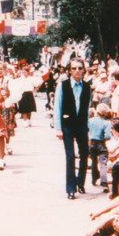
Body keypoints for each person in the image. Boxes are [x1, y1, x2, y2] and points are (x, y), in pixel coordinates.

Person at [53, 58, 91, 200]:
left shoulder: (87, 87)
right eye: (74, 68)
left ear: (83, 70)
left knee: (84, 154)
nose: (77, 71)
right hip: (67, 125)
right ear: (69, 70)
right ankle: (70, 188)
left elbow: (87, 109)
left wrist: (87, 128)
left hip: (81, 125)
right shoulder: (62, 85)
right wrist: (58, 127)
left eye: (79, 68)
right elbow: (57, 106)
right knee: (70, 156)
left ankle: (80, 182)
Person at [88, 103, 111, 192]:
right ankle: (104, 183)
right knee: (103, 163)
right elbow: (108, 136)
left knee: (93, 161)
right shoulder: (106, 123)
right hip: (101, 143)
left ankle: (94, 178)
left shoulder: (91, 121)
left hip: (92, 143)